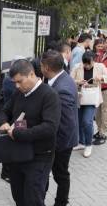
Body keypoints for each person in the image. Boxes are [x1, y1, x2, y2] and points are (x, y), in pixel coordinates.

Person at [0, 59, 61, 206]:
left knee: (33, 198)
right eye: (14, 83)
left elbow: (50, 128)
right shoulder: (19, 93)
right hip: (17, 153)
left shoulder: (49, 95)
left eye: (20, 81)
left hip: (39, 155)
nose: (17, 86)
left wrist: (18, 134)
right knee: (18, 195)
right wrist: (3, 122)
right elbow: (4, 111)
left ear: (31, 74)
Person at [40, 50, 79, 206]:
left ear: (47, 68)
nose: (40, 68)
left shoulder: (61, 88)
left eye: (41, 66)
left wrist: (54, 147)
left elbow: (65, 123)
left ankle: (61, 202)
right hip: (60, 141)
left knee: (60, 174)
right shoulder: (59, 78)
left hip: (61, 142)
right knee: (51, 173)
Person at [71, 51, 107, 156]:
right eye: (85, 63)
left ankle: (88, 144)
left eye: (89, 63)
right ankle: (81, 142)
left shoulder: (100, 67)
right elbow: (69, 79)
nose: (87, 66)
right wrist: (78, 82)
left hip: (91, 98)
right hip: (80, 97)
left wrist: (102, 78)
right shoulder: (78, 67)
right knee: (79, 122)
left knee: (87, 122)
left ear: (93, 61)